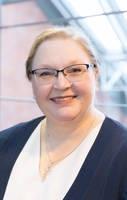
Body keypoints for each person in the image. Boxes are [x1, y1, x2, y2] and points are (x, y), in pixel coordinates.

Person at [0, 26, 127, 200]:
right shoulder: (5, 144)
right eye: (45, 73)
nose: (61, 84)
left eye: (75, 70)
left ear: (96, 73)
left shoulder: (121, 154)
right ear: (31, 80)